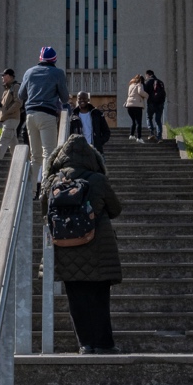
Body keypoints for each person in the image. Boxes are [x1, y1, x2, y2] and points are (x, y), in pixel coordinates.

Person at [43, 134, 123, 353]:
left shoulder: (53, 181)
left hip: (66, 247)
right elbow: (116, 209)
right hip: (98, 248)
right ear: (91, 158)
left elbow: (44, 211)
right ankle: (104, 344)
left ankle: (85, 344)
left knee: (77, 300)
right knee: (99, 298)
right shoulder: (98, 180)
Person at [18, 46, 70, 177]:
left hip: (30, 115)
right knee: (48, 152)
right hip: (47, 115)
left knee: (35, 156)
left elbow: (21, 95)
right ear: (54, 60)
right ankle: (45, 189)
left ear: (40, 58)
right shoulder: (58, 73)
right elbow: (64, 98)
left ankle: (32, 190)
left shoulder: (29, 72)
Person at [0, 69, 23, 160]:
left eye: (4, 75)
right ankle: (19, 160)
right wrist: (0, 105)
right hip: (8, 118)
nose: (2, 77)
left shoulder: (15, 87)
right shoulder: (7, 89)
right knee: (13, 142)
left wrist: (7, 111)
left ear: (9, 76)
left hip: (11, 118)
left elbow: (18, 103)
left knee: (4, 139)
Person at [143, 70, 167, 140]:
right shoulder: (160, 82)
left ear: (148, 75)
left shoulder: (148, 82)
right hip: (160, 103)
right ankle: (159, 137)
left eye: (146, 76)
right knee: (158, 120)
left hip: (151, 103)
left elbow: (144, 92)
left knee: (149, 117)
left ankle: (151, 133)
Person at [123, 75, 147, 140]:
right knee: (138, 122)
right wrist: (147, 95)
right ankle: (139, 138)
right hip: (137, 106)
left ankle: (131, 135)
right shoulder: (140, 84)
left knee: (133, 121)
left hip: (129, 106)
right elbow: (140, 92)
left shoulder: (131, 85)